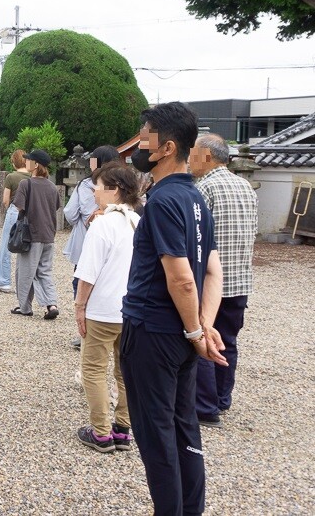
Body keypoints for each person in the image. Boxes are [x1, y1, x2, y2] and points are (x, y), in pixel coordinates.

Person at [122, 102, 226, 516]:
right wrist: (203, 326)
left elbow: (181, 277)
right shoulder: (196, 199)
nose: (138, 147)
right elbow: (213, 271)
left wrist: (197, 331)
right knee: (184, 427)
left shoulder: (163, 201)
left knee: (156, 434)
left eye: (144, 139)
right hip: (181, 335)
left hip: (153, 332)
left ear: (166, 148)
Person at [189, 133, 258, 428]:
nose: (189, 160)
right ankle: (221, 397)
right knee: (228, 340)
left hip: (211, 281)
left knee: (204, 338)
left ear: (206, 156)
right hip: (240, 278)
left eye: (193, 154)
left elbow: (197, 238)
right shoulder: (246, 186)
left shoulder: (204, 188)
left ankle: (205, 407)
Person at [73, 162, 142, 453]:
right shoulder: (138, 221)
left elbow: (88, 273)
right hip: (132, 308)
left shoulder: (103, 224)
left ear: (114, 190)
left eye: (98, 187)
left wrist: (79, 306)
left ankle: (101, 432)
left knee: (93, 369)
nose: (94, 193)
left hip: (102, 309)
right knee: (124, 371)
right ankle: (123, 429)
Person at [64, 145, 121, 348]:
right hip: (118, 248)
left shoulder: (87, 184)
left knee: (82, 283)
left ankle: (86, 332)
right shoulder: (126, 183)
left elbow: (71, 213)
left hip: (87, 244)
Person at [10, 150, 60, 319]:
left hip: (31, 234)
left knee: (26, 272)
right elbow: (56, 207)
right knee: (44, 271)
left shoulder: (26, 184)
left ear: (36, 165)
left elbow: (19, 206)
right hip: (49, 234)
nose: (26, 162)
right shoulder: (52, 187)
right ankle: (51, 304)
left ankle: (25, 307)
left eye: (29, 160)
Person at [0, 149, 30, 291]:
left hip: (15, 211)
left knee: (5, 246)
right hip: (30, 213)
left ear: (14, 162)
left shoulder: (11, 177)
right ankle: (25, 283)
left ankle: (3, 281)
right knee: (26, 247)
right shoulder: (32, 176)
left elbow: (5, 200)